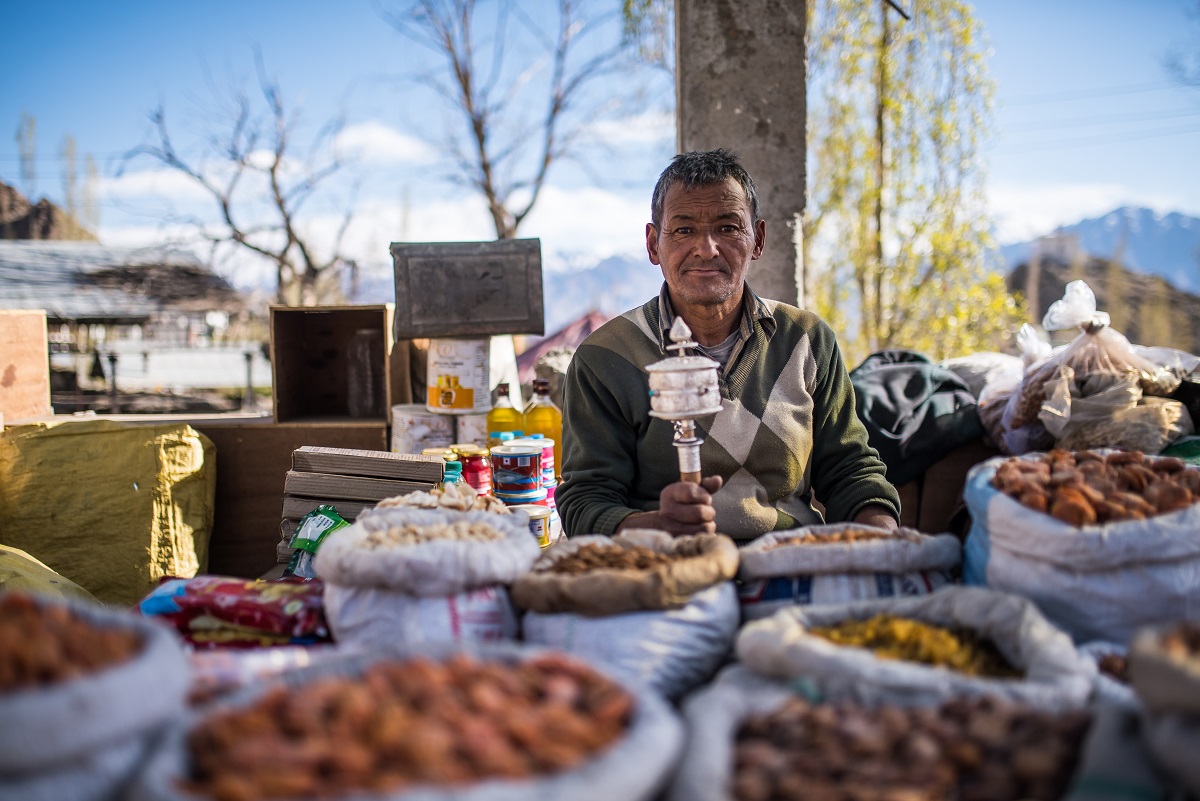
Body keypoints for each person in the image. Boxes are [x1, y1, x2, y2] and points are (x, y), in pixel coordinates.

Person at [555, 148, 900, 540]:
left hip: (789, 561)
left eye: (728, 227)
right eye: (683, 230)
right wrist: (658, 525)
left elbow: (851, 472)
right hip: (669, 568)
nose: (707, 248)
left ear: (758, 239)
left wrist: (884, 543)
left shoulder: (805, 339)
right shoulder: (606, 357)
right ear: (653, 244)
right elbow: (585, 501)